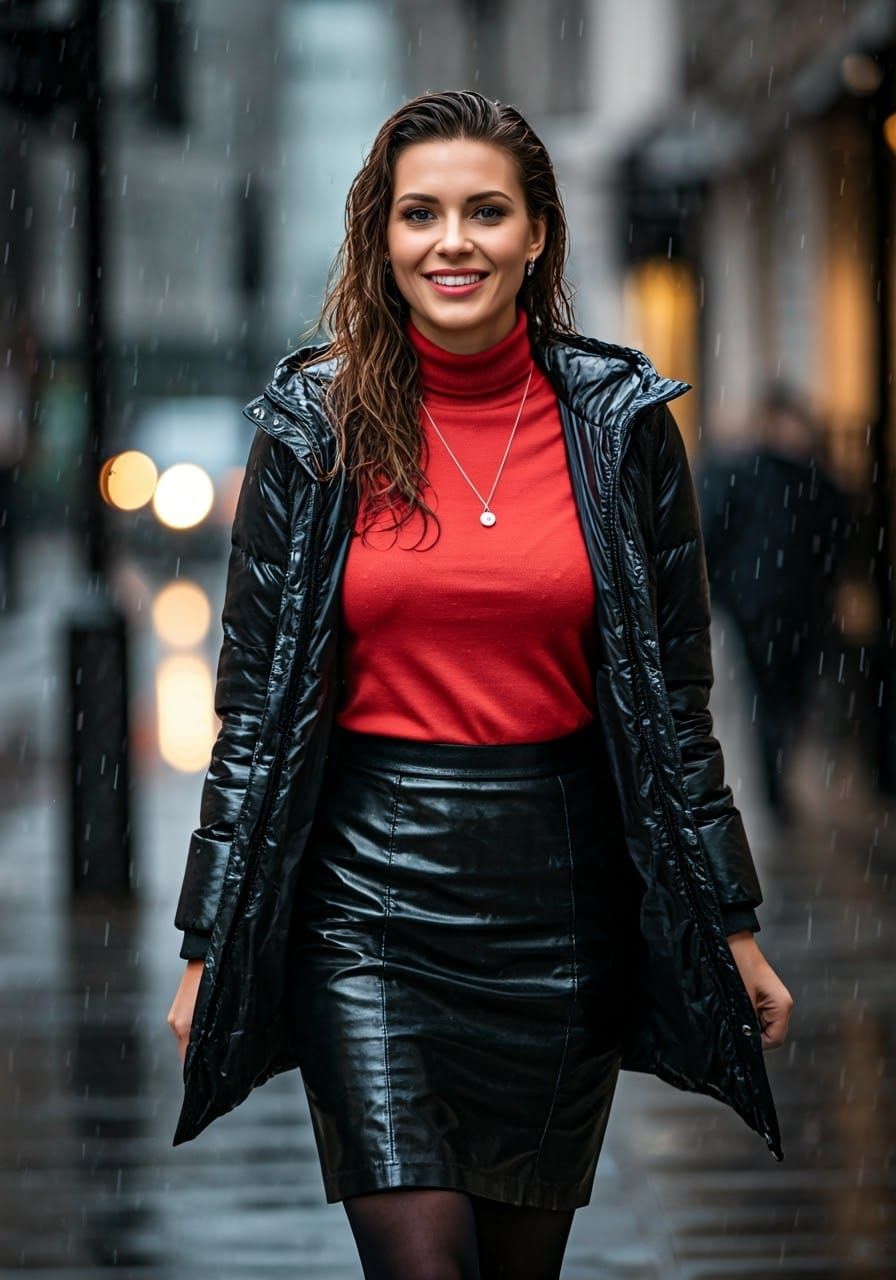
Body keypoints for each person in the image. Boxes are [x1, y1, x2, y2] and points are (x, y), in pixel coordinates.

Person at [166, 91, 793, 1280]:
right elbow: (250, 717)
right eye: (420, 213)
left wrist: (730, 921)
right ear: (381, 236)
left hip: (558, 904)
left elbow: (672, 709)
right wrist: (210, 942)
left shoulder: (619, 426)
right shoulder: (313, 428)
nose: (451, 240)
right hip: (365, 903)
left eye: (484, 211)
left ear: (537, 233)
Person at [697, 387, 850, 825]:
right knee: (778, 694)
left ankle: (775, 778)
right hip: (772, 606)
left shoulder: (792, 478)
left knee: (781, 694)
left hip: (778, 605)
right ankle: (774, 780)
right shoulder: (780, 477)